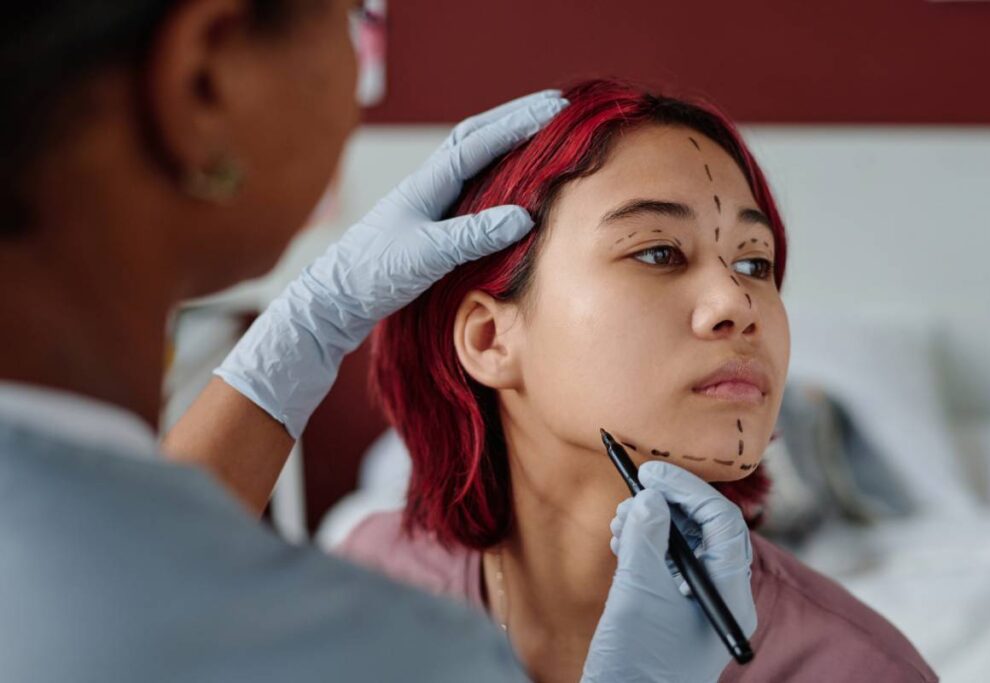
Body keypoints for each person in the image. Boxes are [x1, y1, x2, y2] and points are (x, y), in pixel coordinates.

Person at [0, 2, 727, 682]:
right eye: (353, 14)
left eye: (756, 262)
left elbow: (135, 561)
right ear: (204, 77)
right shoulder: (396, 653)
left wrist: (313, 321)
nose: (733, 303)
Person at [329, 79, 941, 682]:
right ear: (490, 339)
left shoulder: (859, 669)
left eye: (755, 262)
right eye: (658, 252)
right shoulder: (372, 582)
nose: (738, 301)